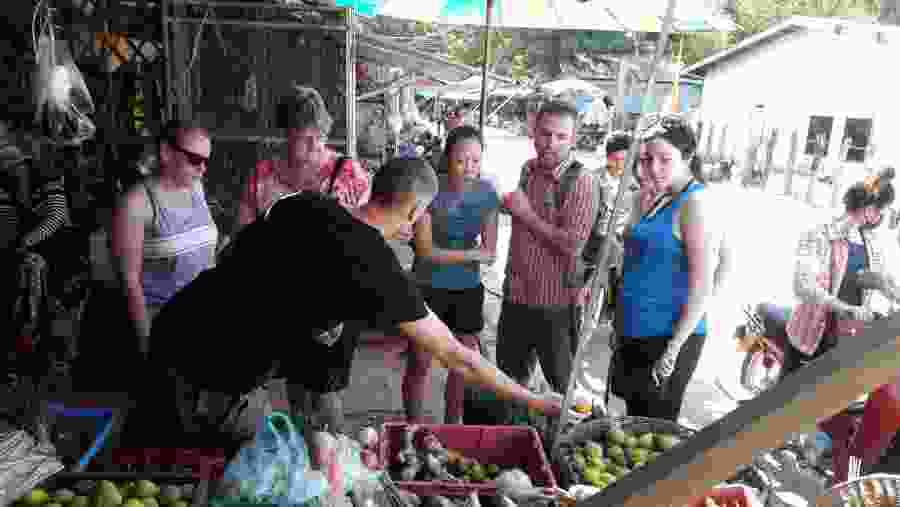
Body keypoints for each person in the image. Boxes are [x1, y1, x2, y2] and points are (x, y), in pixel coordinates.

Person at [119, 157, 561, 453]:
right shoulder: (376, 267)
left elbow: (242, 259)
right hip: (210, 379)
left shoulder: (303, 204)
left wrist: (306, 318)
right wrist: (535, 400)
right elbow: (458, 357)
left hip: (174, 330)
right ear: (415, 212)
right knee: (230, 474)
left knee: (160, 465)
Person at [232, 84, 372, 430]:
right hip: (282, 302)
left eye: (320, 136)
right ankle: (304, 463)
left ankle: (335, 468)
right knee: (295, 388)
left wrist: (337, 310)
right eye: (304, 138)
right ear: (285, 134)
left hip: (333, 305)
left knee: (325, 394)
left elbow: (362, 248)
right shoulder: (263, 176)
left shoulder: (347, 175)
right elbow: (243, 239)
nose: (315, 147)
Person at [608, 114, 726, 421]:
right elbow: (633, 260)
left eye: (665, 160)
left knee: (653, 431)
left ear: (687, 157)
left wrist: (673, 350)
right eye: (647, 159)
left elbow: (704, 284)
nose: (654, 168)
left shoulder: (695, 203)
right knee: (633, 421)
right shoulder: (654, 197)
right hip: (636, 330)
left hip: (667, 337)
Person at [497, 99, 599, 398]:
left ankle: (561, 444)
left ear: (573, 139)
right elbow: (522, 217)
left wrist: (526, 214)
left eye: (561, 136)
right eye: (545, 133)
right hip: (516, 297)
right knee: (509, 385)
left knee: (564, 391)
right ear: (533, 132)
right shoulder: (527, 170)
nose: (550, 143)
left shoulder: (582, 181)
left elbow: (573, 243)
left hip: (556, 305)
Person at [410, 126, 499, 423]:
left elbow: (491, 252)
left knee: (461, 366)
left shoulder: (487, 193)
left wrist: (455, 255)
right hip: (427, 287)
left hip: (467, 290)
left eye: (476, 160)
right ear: (448, 158)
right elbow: (424, 251)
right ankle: (413, 426)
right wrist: (471, 254)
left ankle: (453, 427)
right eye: (462, 160)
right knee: (420, 362)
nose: (469, 168)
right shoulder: (430, 190)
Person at [108, 122, 217, 358]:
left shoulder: (196, 188)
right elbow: (130, 283)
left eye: (206, 161)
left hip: (206, 319)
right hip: (166, 325)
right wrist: (147, 348)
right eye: (194, 159)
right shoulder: (135, 204)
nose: (202, 169)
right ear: (166, 152)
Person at [786, 167, 898, 373]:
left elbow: (860, 275)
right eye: (879, 210)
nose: (879, 217)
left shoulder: (870, 241)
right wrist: (846, 309)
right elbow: (802, 286)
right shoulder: (819, 233)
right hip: (811, 338)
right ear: (868, 208)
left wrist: (885, 286)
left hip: (844, 340)